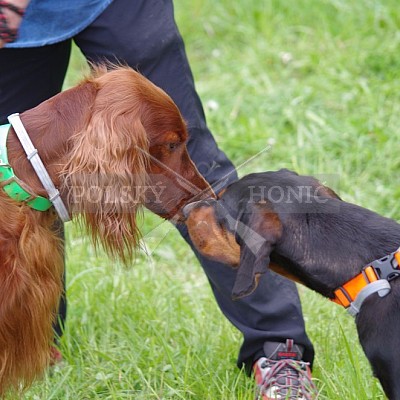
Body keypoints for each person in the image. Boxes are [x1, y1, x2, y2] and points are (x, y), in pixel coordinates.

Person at [0, 1, 318, 398]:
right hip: (17, 25)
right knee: (19, 169)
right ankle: (30, 335)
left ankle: (278, 347)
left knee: (184, 149)